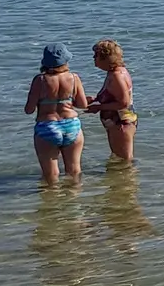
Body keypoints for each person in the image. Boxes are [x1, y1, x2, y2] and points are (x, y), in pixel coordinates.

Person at [25, 44, 89, 182]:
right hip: (72, 125)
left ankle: (52, 202)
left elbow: (29, 110)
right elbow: (83, 105)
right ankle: (74, 202)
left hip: (48, 126)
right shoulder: (74, 78)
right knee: (74, 171)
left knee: (51, 175)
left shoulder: (40, 80)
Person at [84, 39, 137, 163]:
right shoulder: (114, 72)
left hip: (122, 123)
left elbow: (124, 103)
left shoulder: (117, 76)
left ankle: (126, 181)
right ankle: (118, 181)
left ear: (106, 58)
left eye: (96, 55)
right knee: (118, 158)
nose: (93, 58)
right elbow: (115, 95)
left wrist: (99, 108)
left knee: (124, 161)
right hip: (118, 122)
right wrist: (96, 99)